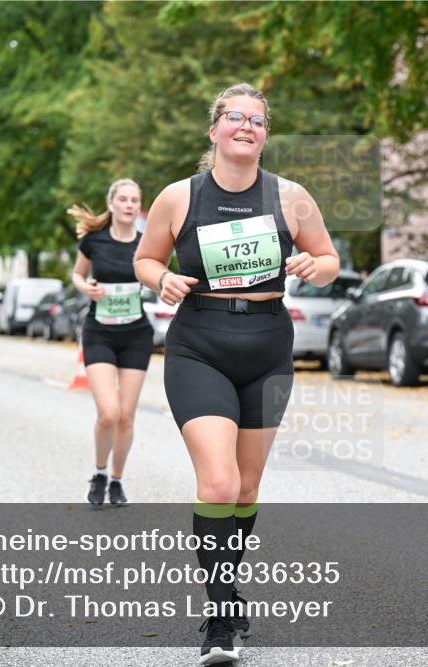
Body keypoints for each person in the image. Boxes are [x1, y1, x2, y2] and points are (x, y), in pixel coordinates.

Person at [134, 83, 339, 665]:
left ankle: (228, 592)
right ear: (215, 130)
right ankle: (220, 618)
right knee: (219, 483)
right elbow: (145, 258)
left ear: (264, 134)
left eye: (257, 119)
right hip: (200, 343)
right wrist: (160, 280)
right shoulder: (178, 197)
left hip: (268, 345)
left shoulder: (291, 197)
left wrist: (312, 265)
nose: (246, 125)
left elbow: (328, 261)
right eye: (235, 117)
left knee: (246, 489)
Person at [68, 179, 153, 508]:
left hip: (136, 334)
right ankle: (99, 472)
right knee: (108, 413)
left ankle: (117, 480)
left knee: (126, 416)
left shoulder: (146, 244)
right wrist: (85, 288)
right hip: (99, 332)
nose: (130, 204)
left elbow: (158, 274)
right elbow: (76, 274)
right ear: (112, 204)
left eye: (135, 199)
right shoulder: (94, 241)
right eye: (124, 199)